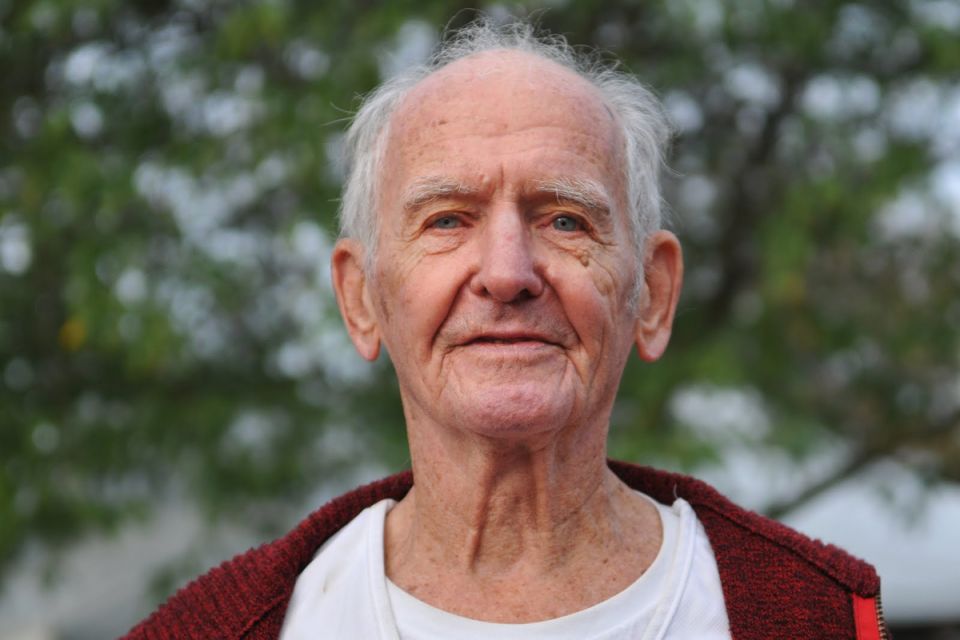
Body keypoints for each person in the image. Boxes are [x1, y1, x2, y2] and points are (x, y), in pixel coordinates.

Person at [124, 19, 887, 640]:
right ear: (361, 299)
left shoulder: (821, 619)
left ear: (652, 294)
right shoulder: (217, 630)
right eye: (447, 220)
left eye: (565, 219)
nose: (507, 273)